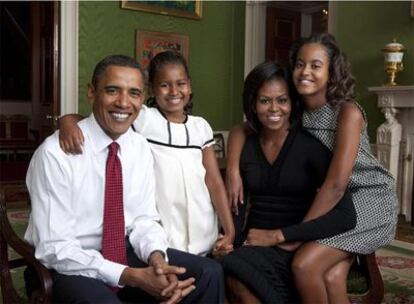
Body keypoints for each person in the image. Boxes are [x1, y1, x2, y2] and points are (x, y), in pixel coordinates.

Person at [24, 54, 225, 304]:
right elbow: (56, 248)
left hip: (123, 250)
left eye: (134, 93)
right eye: (112, 90)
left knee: (209, 273)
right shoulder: (55, 154)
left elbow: (144, 219)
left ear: (143, 98)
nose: (123, 103)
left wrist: (157, 259)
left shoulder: (138, 146)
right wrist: (133, 277)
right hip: (67, 264)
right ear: (91, 92)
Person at [226, 33, 398, 303]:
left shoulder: (347, 112)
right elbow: (242, 128)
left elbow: (336, 185)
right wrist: (234, 169)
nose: (305, 72)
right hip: (336, 202)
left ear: (332, 72)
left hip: (367, 199)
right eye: (299, 64)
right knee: (332, 277)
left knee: (304, 264)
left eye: (315, 66)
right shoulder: (295, 109)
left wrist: (295, 235)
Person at [59, 50, 235, 257]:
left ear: (190, 85)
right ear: (150, 89)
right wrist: (66, 121)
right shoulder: (143, 118)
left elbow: (214, 181)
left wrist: (229, 230)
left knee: (206, 273)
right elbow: (96, 120)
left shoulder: (201, 127)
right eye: (164, 85)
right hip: (162, 225)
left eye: (181, 83)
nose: (173, 91)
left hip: (202, 223)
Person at [218, 60, 357, 304]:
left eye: (282, 100)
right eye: (264, 101)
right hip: (255, 242)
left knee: (237, 273)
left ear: (292, 103)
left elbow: (345, 215)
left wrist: (282, 235)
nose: (274, 109)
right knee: (229, 273)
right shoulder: (246, 146)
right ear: (252, 104)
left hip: (294, 244)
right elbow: (237, 204)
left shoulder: (310, 147)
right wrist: (228, 238)